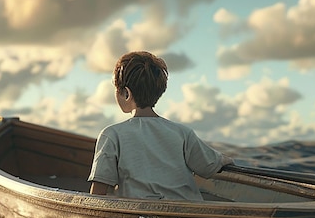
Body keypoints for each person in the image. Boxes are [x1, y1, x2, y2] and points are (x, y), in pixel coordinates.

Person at [88, 51, 233, 200]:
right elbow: (209, 166)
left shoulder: (112, 135)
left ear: (126, 93)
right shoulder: (182, 133)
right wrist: (223, 160)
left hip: (144, 214)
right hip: (189, 211)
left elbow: (98, 192)